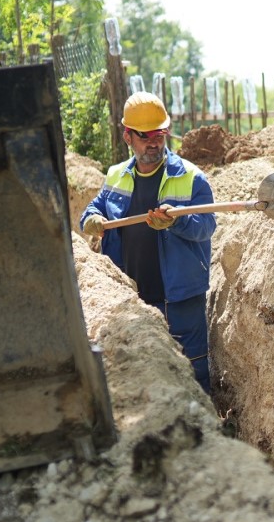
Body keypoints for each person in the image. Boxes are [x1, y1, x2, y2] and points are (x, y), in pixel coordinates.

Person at [81, 91, 216, 394]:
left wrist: (177, 221)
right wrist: (90, 220)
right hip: (133, 301)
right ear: (127, 135)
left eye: (160, 134)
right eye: (145, 136)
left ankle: (208, 435)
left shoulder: (192, 178)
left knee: (194, 374)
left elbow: (206, 226)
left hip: (179, 298)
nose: (154, 142)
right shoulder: (116, 177)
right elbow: (92, 210)